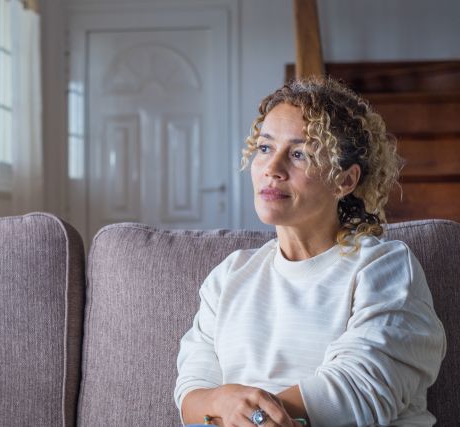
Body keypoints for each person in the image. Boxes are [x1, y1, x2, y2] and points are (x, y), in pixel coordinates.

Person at [174, 78, 446, 427]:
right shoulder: (229, 275)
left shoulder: (384, 266)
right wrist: (220, 402)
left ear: (344, 181)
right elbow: (192, 390)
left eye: (299, 154)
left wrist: (246, 416)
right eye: (264, 148)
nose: (272, 169)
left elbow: (361, 387)